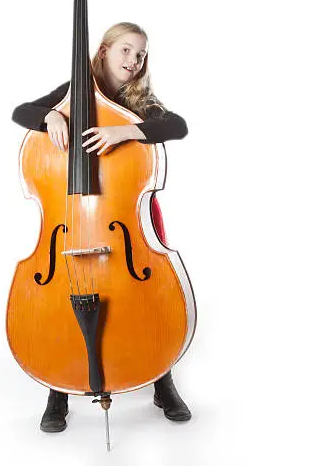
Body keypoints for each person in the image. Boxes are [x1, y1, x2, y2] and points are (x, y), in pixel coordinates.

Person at [11, 22, 192, 432]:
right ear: (105, 50)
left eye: (140, 55)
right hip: (70, 225)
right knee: (60, 299)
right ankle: (57, 388)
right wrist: (50, 119)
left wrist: (126, 130)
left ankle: (162, 379)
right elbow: (21, 112)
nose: (133, 61)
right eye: (126, 50)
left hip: (129, 218)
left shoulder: (139, 101)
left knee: (148, 296)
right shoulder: (73, 90)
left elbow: (177, 126)